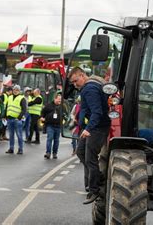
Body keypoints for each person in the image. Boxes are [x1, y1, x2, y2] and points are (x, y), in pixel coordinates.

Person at [68, 67, 111, 204]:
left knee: (90, 158)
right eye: (73, 83)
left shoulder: (90, 88)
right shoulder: (91, 85)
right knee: (81, 152)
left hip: (96, 128)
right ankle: (99, 178)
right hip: (91, 127)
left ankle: (94, 190)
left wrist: (89, 128)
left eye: (76, 81)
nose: (75, 85)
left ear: (82, 75)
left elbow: (97, 112)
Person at [5, 85, 26, 154]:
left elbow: (24, 109)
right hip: (10, 119)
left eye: (17, 90)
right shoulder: (10, 97)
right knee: (11, 135)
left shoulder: (22, 98)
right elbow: (7, 107)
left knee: (19, 135)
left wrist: (19, 117)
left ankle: (20, 149)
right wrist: (5, 115)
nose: (15, 91)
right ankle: (11, 148)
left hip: (17, 120)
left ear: (19, 91)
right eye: (14, 89)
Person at [41, 93, 62, 159]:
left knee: (56, 140)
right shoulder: (49, 105)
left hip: (58, 126)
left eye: (60, 100)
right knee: (49, 138)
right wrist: (42, 117)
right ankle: (48, 153)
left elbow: (66, 114)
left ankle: (55, 153)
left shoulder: (62, 106)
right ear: (55, 98)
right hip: (50, 125)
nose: (59, 101)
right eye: (58, 99)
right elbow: (43, 112)